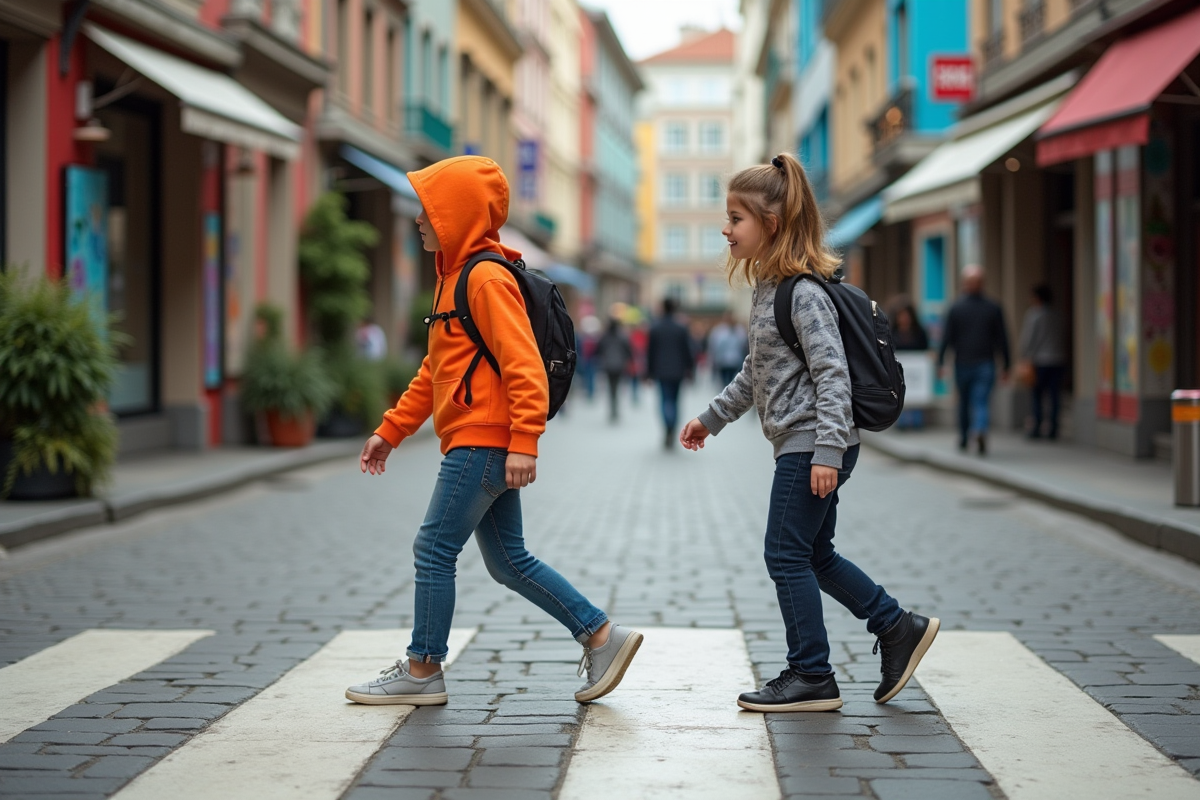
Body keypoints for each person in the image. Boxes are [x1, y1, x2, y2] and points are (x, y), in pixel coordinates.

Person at [349, 156, 642, 706]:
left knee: (433, 547)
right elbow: (435, 373)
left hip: (483, 439)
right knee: (509, 561)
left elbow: (523, 363)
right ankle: (602, 636)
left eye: (428, 210)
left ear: (456, 215)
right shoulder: (454, 282)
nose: (418, 219)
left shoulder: (483, 279)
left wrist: (524, 441)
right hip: (478, 437)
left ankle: (422, 669)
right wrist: (391, 430)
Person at [679, 152, 939, 713]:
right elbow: (756, 371)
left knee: (784, 553)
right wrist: (712, 418)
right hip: (807, 444)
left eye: (736, 218)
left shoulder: (804, 293)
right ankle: (897, 626)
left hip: (812, 445)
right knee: (814, 553)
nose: (726, 229)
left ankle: (812, 674)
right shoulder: (769, 290)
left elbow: (832, 374)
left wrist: (825, 450)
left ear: (770, 225)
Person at [937, 265, 1010, 456]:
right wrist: (1007, 364)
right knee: (981, 401)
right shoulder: (993, 307)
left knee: (965, 401)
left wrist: (941, 362)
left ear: (965, 284)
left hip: (964, 362)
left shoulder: (956, 307)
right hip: (985, 362)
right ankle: (980, 429)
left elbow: (947, 338)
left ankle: (965, 436)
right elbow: (1003, 339)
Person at [646, 297, 695, 448]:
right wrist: (691, 370)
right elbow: (688, 351)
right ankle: (672, 428)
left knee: (664, 401)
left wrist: (648, 372)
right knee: (675, 401)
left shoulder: (655, 328)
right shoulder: (681, 328)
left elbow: (650, 352)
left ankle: (667, 427)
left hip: (661, 371)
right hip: (678, 371)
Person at [1019, 284, 1067, 440]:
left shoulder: (1034, 315)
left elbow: (1028, 339)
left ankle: (1037, 427)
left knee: (1037, 396)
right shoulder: (1057, 314)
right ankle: (1053, 428)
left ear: (1037, 298)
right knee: (1054, 396)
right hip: (1058, 359)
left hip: (1039, 360)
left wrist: (1024, 356)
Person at [890, 303, 929, 430]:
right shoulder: (892, 333)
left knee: (916, 394)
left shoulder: (919, 332)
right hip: (899, 370)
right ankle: (902, 421)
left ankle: (917, 421)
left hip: (917, 370)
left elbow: (926, 348)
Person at [595, 317, 633, 422]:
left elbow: (598, 350)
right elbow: (628, 350)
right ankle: (615, 409)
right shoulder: (622, 337)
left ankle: (613, 410)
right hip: (619, 366)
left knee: (611, 388)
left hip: (608, 365)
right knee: (616, 388)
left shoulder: (605, 337)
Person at [708, 313, 749, 387]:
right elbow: (714, 346)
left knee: (732, 381)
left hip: (735, 361)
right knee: (725, 382)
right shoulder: (719, 331)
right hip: (723, 361)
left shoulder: (739, 330)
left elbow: (743, 344)